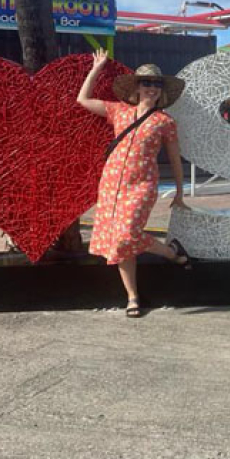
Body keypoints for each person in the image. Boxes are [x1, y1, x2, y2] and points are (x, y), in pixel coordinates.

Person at [76, 50, 191, 317]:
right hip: (111, 184)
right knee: (118, 243)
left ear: (161, 91)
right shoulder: (119, 112)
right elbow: (82, 100)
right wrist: (97, 68)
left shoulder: (165, 122)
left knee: (127, 234)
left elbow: (175, 159)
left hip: (142, 185)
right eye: (146, 83)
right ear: (137, 87)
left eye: (156, 84)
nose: (151, 88)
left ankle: (171, 254)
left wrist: (180, 192)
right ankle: (133, 296)